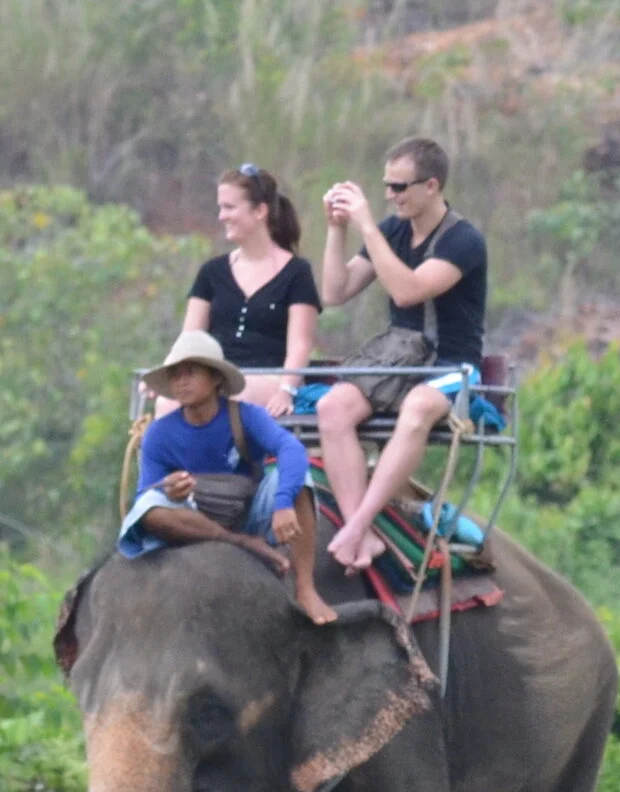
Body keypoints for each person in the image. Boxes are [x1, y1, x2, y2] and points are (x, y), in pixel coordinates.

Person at [315, 136, 490, 574]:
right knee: (332, 407)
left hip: (451, 364)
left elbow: (408, 291)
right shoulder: (393, 230)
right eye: (386, 187)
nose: (391, 196)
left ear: (431, 186)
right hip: (399, 360)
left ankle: (356, 526)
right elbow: (335, 292)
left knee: (418, 408)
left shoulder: (463, 240)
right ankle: (366, 536)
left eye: (400, 187)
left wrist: (368, 228)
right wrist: (337, 230)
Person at [118, 332, 331, 622]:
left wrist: (282, 504)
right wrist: (169, 489)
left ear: (216, 377)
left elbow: (290, 448)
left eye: (190, 372)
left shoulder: (246, 415)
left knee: (297, 480)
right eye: (175, 375)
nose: (181, 381)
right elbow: (145, 494)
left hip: (249, 511)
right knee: (148, 509)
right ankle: (240, 542)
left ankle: (305, 588)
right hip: (194, 519)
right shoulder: (159, 433)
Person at [172, 165, 320, 419]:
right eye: (220, 207)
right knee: (169, 404)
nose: (221, 216)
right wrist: (165, 376)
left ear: (260, 211)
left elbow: (300, 344)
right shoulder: (211, 272)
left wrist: (286, 390)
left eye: (229, 207)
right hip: (214, 375)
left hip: (268, 377)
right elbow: (189, 337)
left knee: (228, 397)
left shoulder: (297, 272)